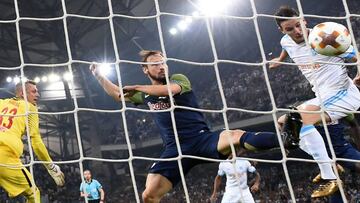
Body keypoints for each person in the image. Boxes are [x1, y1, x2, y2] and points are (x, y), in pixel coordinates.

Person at [90, 50, 279, 203]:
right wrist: (99, 76)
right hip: (174, 149)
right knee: (148, 196)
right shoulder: (146, 96)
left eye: (163, 62)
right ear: (145, 69)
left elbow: (169, 90)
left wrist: (138, 87)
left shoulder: (178, 79)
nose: (161, 66)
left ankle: (283, 139)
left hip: (201, 138)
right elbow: (118, 95)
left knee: (236, 135)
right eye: (155, 64)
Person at [269, 5, 360, 198]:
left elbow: (356, 57)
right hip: (321, 96)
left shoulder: (325, 37)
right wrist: (280, 59)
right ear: (282, 30)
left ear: (304, 20)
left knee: (301, 120)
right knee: (282, 123)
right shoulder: (285, 41)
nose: (297, 31)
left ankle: (330, 176)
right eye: (290, 29)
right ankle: (330, 164)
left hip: (343, 94)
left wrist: (359, 73)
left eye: (298, 25)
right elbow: (286, 47)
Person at [0, 80, 65, 203]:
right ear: (23, 93)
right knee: (33, 194)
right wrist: (51, 167)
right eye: (34, 91)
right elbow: (36, 142)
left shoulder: (1, 103)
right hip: (4, 157)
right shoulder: (30, 108)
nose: (38, 95)